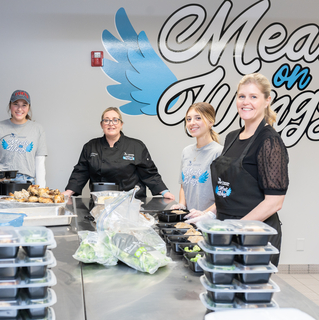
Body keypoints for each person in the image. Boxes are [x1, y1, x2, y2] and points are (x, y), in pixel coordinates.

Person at [186, 73, 289, 266]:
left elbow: (274, 202)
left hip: (254, 238)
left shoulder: (269, 141)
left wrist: (235, 228)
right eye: (241, 96)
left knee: (248, 294)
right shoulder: (232, 137)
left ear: (267, 100)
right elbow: (230, 190)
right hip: (227, 233)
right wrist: (210, 214)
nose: (246, 102)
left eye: (253, 97)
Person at [63, 107, 174, 199]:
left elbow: (149, 173)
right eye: (106, 120)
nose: (111, 124)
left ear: (121, 124)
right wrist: (69, 192)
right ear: (102, 125)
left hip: (131, 202)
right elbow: (80, 172)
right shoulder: (91, 146)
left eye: (115, 120)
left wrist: (164, 192)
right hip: (101, 202)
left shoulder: (136, 146)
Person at [0, 90, 47, 187]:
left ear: (29, 107)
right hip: (0, 182)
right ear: (10, 106)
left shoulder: (37, 129)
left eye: (24, 105)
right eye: (16, 104)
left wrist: (41, 189)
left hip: (27, 183)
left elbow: (39, 163)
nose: (19, 109)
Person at [170, 102, 222, 211]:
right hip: (190, 219)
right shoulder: (186, 151)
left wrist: (205, 214)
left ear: (211, 121)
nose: (191, 123)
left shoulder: (219, 152)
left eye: (198, 118)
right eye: (188, 119)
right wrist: (181, 205)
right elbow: (184, 186)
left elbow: (224, 193)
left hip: (210, 222)